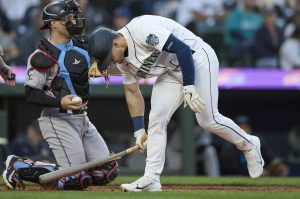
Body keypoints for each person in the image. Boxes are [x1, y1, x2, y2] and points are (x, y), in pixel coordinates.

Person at [88, 15, 265, 192]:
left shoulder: (142, 30)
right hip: (170, 71)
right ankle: (151, 178)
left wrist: (189, 86)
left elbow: (183, 49)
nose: (109, 63)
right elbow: (132, 92)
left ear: (115, 43)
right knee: (156, 119)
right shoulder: (122, 64)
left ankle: (249, 144)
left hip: (197, 58)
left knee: (208, 120)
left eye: (108, 57)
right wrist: (139, 130)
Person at [2, 0, 118, 190]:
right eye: (67, 17)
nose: (74, 20)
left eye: (74, 16)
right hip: (57, 119)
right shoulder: (42, 55)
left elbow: (108, 56)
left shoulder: (83, 43)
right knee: (75, 179)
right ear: (53, 23)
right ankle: (19, 165)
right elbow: (30, 93)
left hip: (83, 118)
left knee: (105, 171)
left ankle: (70, 168)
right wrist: (60, 102)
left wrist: (107, 67)